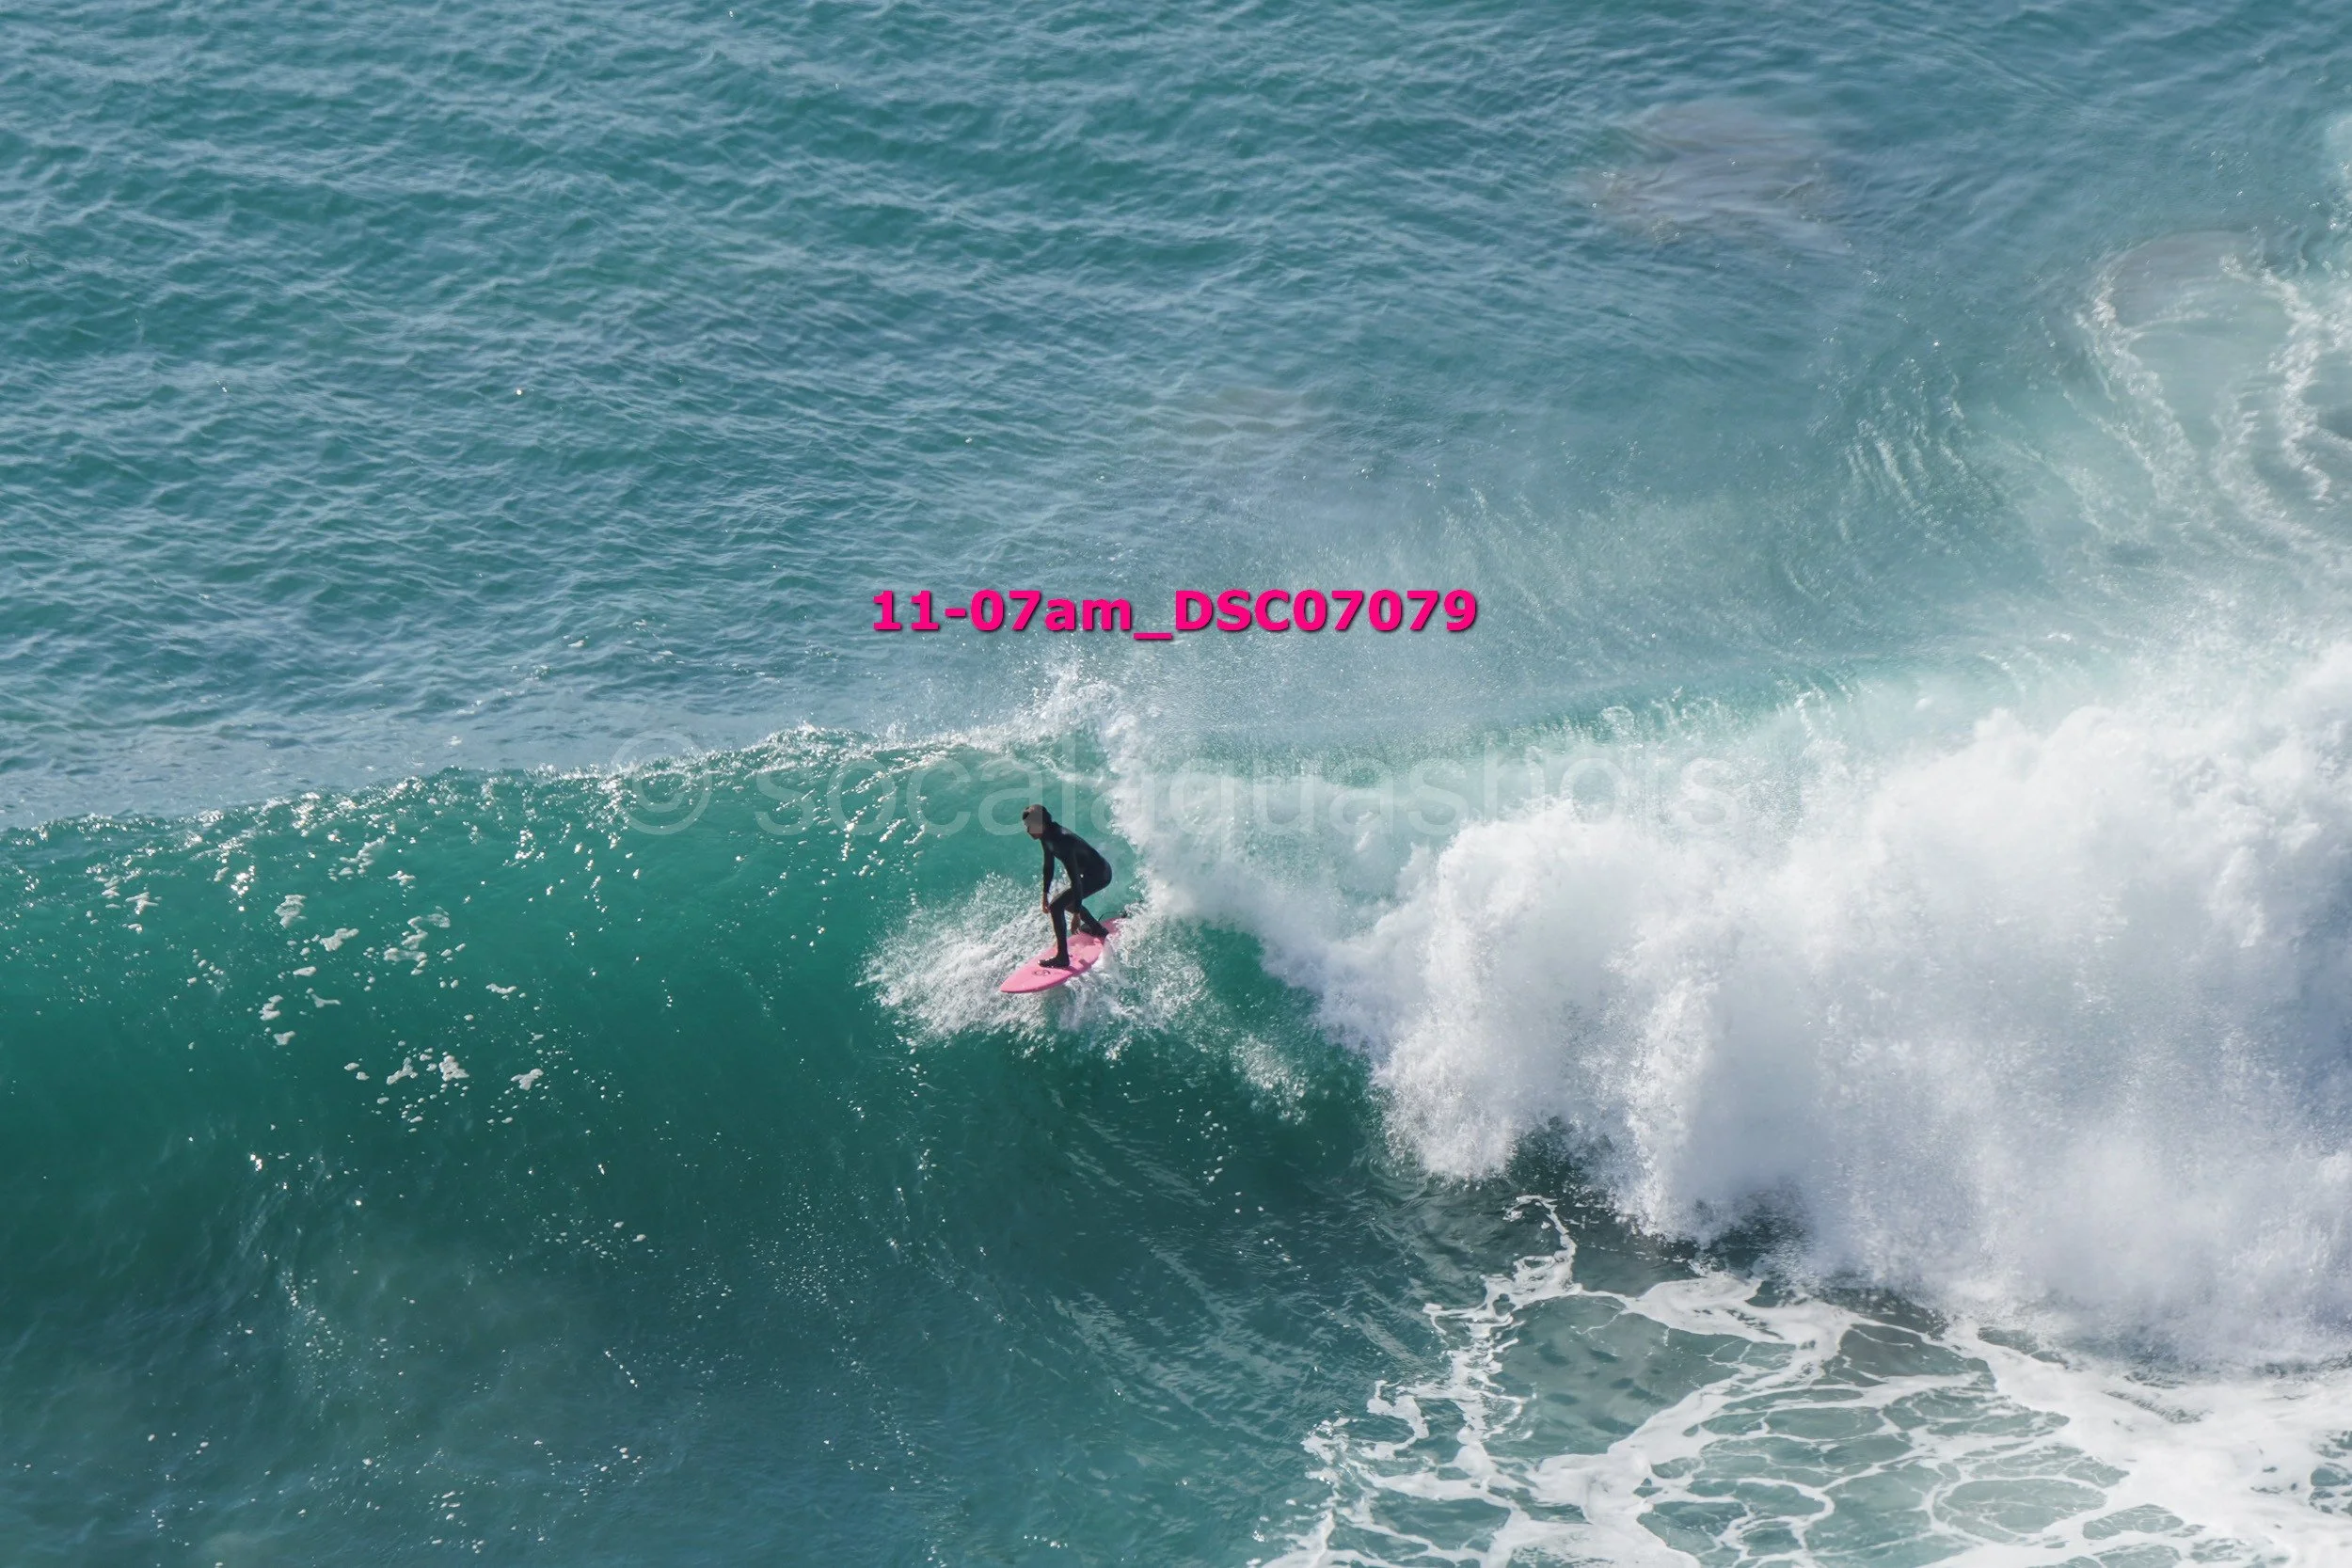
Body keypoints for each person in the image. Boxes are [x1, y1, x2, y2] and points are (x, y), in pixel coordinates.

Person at [1023, 803, 1111, 967]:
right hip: (1091, 874)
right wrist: (1044, 893)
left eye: (1030, 826)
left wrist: (1076, 914)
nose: (1027, 830)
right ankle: (1096, 929)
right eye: (1026, 826)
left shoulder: (1062, 840)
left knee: (1057, 905)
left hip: (1100, 875)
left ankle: (1062, 958)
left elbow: (1075, 880)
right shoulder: (1046, 836)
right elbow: (1048, 866)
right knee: (1062, 902)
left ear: (1041, 824)